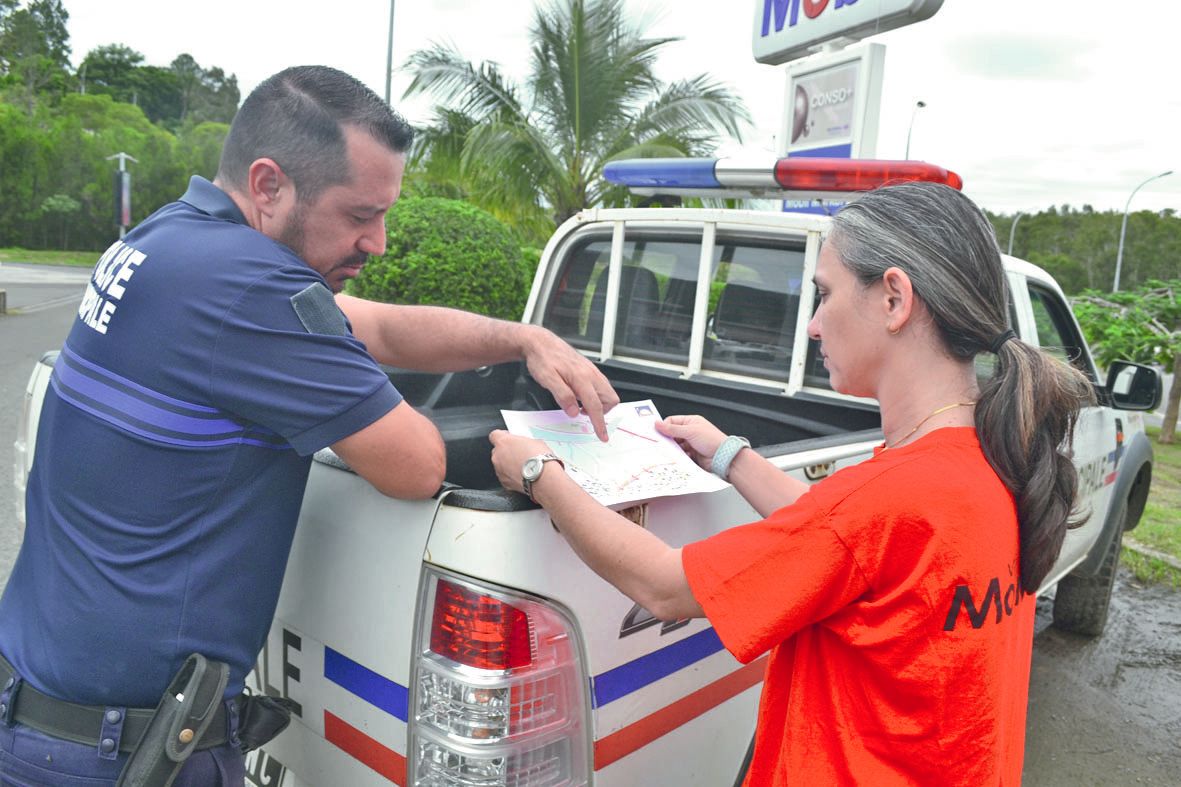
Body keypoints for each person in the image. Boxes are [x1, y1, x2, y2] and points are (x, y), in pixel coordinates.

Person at [0, 65, 617, 787]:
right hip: (123, 754)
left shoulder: (170, 240)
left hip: (42, 711)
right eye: (359, 216)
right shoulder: (252, 288)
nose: (380, 242)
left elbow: (380, 327)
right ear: (268, 186)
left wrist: (520, 339)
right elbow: (415, 463)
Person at [489, 181, 1095, 785]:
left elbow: (664, 587)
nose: (810, 326)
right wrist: (729, 455)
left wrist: (542, 473)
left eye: (824, 295)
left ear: (894, 299)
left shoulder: (889, 495)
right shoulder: (991, 458)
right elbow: (846, 544)